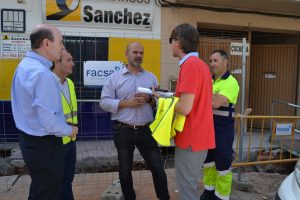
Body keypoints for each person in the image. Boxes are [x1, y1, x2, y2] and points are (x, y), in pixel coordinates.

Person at [11, 24, 78, 200]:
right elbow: (48, 122)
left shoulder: (25, 65)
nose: (62, 47)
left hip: (31, 142)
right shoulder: (42, 74)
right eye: (61, 42)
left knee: (41, 190)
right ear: (47, 43)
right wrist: (69, 130)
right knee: (48, 192)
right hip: (45, 145)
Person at [100, 42, 170, 200]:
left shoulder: (151, 77)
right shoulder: (114, 78)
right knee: (125, 170)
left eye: (141, 52)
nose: (139, 55)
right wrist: (126, 103)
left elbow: (158, 104)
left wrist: (150, 99)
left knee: (158, 168)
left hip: (146, 130)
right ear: (126, 53)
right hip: (123, 130)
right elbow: (103, 102)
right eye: (135, 52)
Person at [169, 23, 215, 200]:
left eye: (171, 41)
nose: (171, 45)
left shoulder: (189, 65)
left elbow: (185, 107)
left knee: (187, 189)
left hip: (190, 138)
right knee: (191, 185)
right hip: (199, 138)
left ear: (178, 42)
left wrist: (164, 101)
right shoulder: (201, 65)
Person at [200, 50, 239, 200]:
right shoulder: (209, 81)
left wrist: (203, 95)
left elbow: (215, 103)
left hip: (223, 131)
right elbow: (209, 99)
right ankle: (209, 191)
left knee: (223, 165)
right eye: (210, 61)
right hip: (208, 129)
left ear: (225, 62)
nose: (212, 64)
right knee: (208, 162)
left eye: (215, 61)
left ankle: (222, 196)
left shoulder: (231, 82)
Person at [52, 49, 78, 200]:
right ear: (57, 62)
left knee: (67, 181)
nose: (73, 64)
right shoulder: (47, 82)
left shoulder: (70, 83)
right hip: (54, 142)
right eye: (69, 60)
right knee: (54, 183)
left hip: (70, 140)